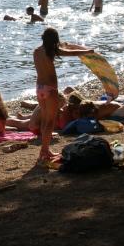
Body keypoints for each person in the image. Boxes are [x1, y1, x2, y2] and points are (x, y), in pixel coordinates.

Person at [33, 27, 94, 165]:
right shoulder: (51, 51)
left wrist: (67, 45)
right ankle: (44, 151)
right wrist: (87, 51)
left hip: (39, 88)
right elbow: (71, 53)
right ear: (54, 40)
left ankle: (45, 150)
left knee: (45, 120)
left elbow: (65, 47)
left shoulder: (36, 51)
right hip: (50, 89)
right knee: (50, 121)